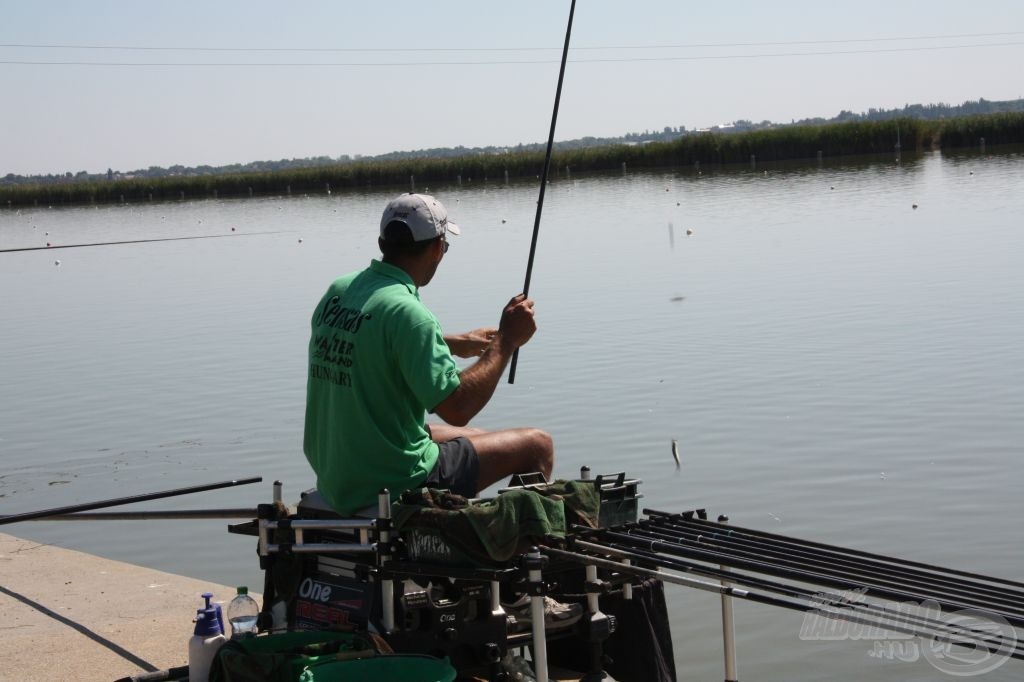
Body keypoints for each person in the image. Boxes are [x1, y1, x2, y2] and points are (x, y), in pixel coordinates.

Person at [303, 192, 554, 516]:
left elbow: (367, 339)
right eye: (445, 246)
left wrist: (451, 341)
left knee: (477, 438)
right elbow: (457, 408)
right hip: (392, 479)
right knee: (537, 444)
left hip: (341, 474)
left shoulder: (340, 291)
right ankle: (520, 543)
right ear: (437, 248)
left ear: (382, 243)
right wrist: (506, 341)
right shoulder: (410, 313)